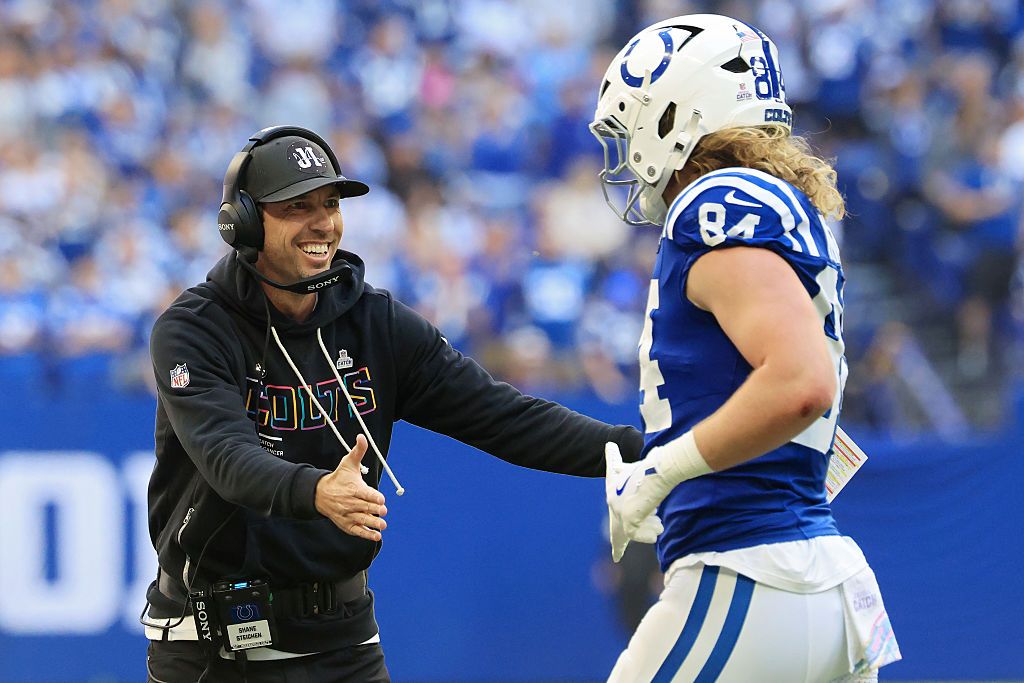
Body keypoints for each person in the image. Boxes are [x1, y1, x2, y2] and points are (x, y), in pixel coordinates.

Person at [140, 124, 644, 682]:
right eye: (296, 207)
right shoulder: (192, 330)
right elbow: (227, 459)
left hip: (341, 637)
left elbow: (508, 419)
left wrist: (657, 452)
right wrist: (317, 491)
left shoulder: (376, 323)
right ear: (244, 222)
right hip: (214, 647)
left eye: (330, 204)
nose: (323, 223)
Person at [590, 15, 902, 682]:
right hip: (812, 575)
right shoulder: (772, 203)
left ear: (678, 109)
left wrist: (663, 470)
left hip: (751, 569)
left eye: (631, 122)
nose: (623, 152)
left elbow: (800, 382)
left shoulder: (715, 202)